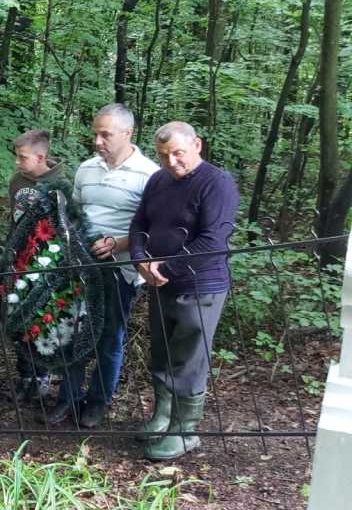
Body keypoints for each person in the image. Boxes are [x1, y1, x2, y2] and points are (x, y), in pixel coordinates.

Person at [43, 103, 159, 427]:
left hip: (119, 270)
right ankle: (67, 398)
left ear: (127, 133)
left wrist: (117, 244)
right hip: (80, 265)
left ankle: (98, 402)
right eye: (95, 134)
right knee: (72, 333)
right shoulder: (86, 169)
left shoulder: (149, 174)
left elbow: (151, 227)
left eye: (105, 134)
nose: (97, 141)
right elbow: (76, 213)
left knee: (109, 337)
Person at [129, 121, 239, 460]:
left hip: (200, 285)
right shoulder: (158, 180)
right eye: (164, 155)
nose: (171, 162)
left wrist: (164, 268)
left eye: (178, 153)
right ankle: (162, 417)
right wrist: (140, 260)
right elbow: (139, 223)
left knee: (190, 358)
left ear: (197, 145)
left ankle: (184, 430)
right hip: (159, 283)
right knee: (162, 352)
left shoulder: (217, 183)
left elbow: (214, 240)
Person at [0, 129, 72, 402]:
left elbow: (66, 228)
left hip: (46, 263)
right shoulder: (17, 181)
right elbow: (14, 221)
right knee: (19, 320)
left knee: (42, 321)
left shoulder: (61, 184)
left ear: (40, 157)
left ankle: (42, 377)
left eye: (23, 157)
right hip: (18, 262)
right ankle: (26, 377)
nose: (17, 162)